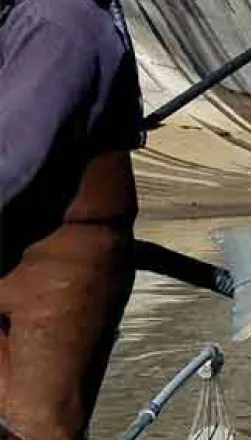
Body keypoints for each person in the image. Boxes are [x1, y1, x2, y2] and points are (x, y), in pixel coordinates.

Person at [0, 0, 144, 437]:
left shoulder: (60, 20)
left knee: (36, 427)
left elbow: (10, 162)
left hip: (61, 274)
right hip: (15, 252)